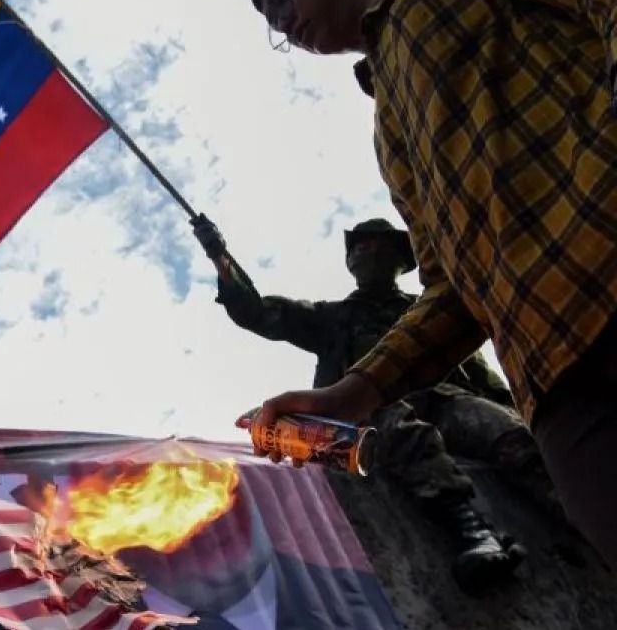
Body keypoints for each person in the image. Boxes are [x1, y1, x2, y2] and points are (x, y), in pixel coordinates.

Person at [239, 0, 617, 564]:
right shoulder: (390, 135)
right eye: (273, 23)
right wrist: (352, 395)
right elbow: (454, 289)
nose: (283, 22)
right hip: (563, 396)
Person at [201, 217, 574, 588]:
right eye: (361, 245)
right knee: (397, 429)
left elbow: (480, 375)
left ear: (401, 259)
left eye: (380, 244)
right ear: (350, 262)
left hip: (448, 401)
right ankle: (470, 529)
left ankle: (585, 520)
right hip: (373, 411)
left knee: (509, 435)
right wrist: (221, 257)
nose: (369, 250)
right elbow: (259, 313)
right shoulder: (331, 318)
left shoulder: (429, 310)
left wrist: (524, 414)